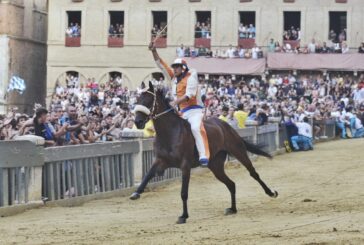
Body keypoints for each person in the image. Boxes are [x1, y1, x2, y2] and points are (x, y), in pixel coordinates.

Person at [149, 41, 210, 167]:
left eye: (177, 67)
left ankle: (203, 155)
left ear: (183, 68)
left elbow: (189, 95)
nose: (174, 69)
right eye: (174, 67)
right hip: (181, 112)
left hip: (194, 111)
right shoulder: (173, 78)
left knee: (195, 128)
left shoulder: (191, 77)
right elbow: (161, 65)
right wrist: (154, 51)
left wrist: (175, 102)